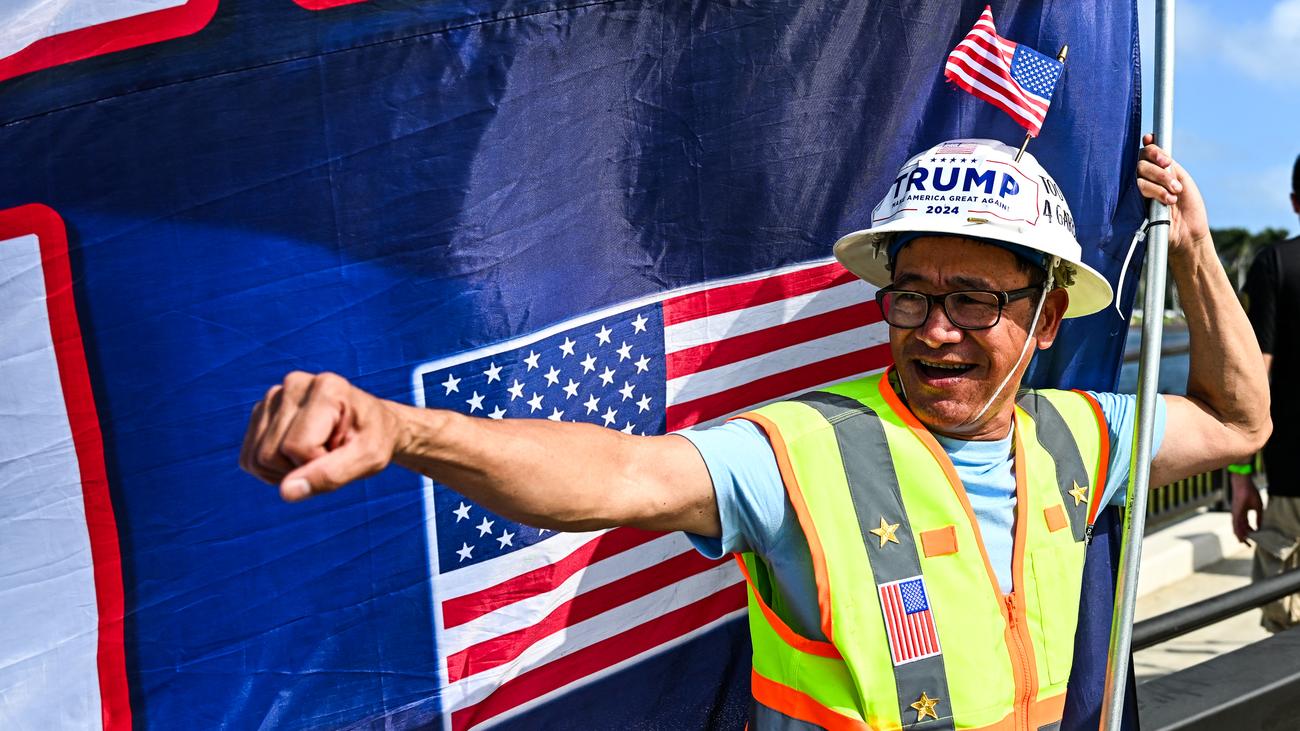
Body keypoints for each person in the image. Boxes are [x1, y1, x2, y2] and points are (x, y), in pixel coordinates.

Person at [241, 136, 1269, 730]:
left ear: (1045, 318)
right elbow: (617, 475)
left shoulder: (1080, 435)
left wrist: (1191, 248)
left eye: (972, 299)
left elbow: (1240, 418)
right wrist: (405, 430)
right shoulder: (804, 450)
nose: (935, 329)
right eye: (911, 296)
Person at [1232, 153, 1300, 633]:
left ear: (1295, 202)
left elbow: (1254, 378)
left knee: (1285, 641)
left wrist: (1240, 475)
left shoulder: (1275, 264)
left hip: (1292, 478)